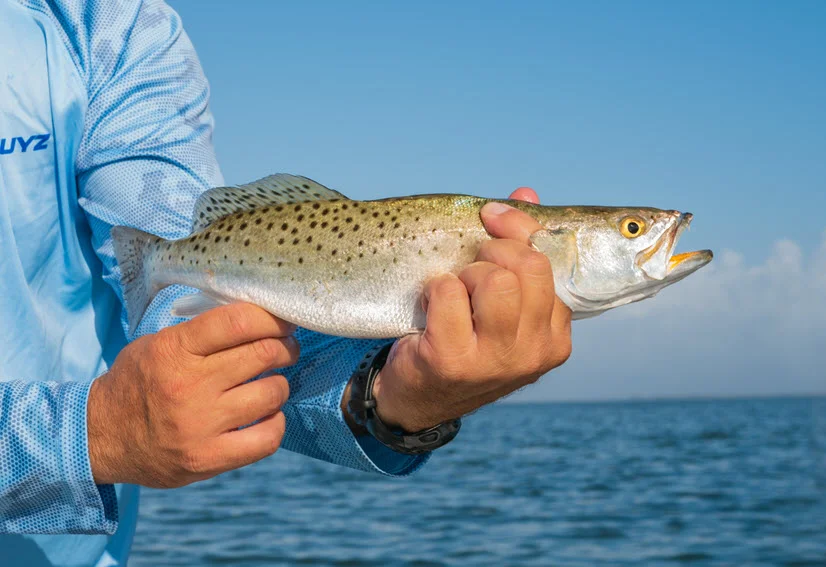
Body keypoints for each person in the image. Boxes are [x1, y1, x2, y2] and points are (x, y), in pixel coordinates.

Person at [0, 1, 572, 565]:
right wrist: (90, 431)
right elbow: (113, 414)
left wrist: (389, 395)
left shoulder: (109, 25)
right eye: (631, 229)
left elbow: (183, 305)